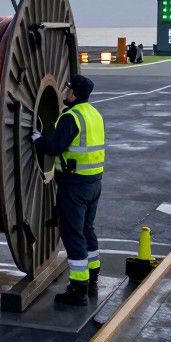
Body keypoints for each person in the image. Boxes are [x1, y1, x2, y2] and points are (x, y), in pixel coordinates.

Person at [32, 74, 105, 305]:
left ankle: (78, 289)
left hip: (74, 187)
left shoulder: (71, 117)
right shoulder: (94, 115)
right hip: (94, 183)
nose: (65, 92)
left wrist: (37, 139)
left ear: (74, 93)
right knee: (87, 231)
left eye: (68, 90)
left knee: (73, 235)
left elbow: (55, 147)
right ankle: (92, 280)